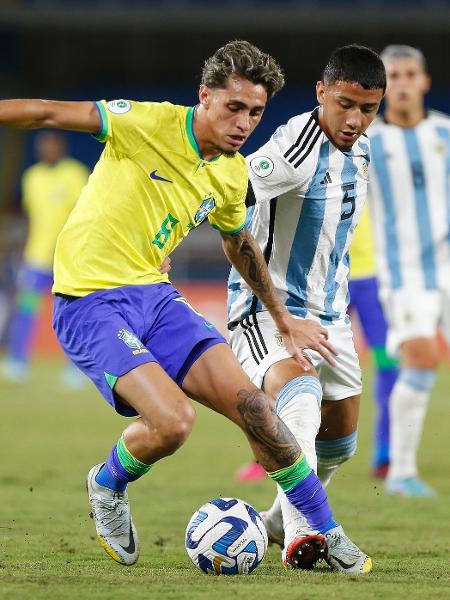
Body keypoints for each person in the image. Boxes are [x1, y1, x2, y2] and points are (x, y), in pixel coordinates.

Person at [0, 40, 371, 573]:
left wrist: (283, 317)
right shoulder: (146, 123)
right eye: (234, 107)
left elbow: (238, 243)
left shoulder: (230, 172)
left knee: (257, 411)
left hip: (156, 298)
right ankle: (107, 483)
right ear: (204, 96)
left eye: (256, 112)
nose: (244, 122)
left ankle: (322, 529)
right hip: (90, 300)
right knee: (174, 423)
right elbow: (47, 112)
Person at [227, 44, 385, 559]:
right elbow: (226, 194)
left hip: (328, 316)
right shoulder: (294, 148)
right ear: (321, 92)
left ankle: (275, 521)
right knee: (299, 394)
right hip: (267, 308)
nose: (355, 119)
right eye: (344, 104)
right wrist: (160, 247)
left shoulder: (360, 149)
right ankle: (304, 531)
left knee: (340, 440)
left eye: (368, 109)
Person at [368, 45, 450, 497]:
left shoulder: (445, 133)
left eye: (408, 74)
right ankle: (401, 471)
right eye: (392, 75)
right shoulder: (368, 144)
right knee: (421, 356)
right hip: (404, 276)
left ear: (424, 81)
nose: (401, 83)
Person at [1, 131, 89, 384]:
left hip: (67, 257)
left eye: (51, 146)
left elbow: (83, 214)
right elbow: (30, 217)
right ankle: (18, 362)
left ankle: (76, 368)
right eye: (42, 147)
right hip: (36, 258)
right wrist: (23, 250)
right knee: (27, 308)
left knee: (73, 312)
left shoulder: (75, 173)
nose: (46, 151)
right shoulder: (32, 177)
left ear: (61, 148)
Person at [348, 202, 398, 478]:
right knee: (301, 365)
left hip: (373, 283)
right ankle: (273, 455)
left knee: (388, 365)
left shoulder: (379, 164)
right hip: (330, 280)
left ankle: (386, 453)